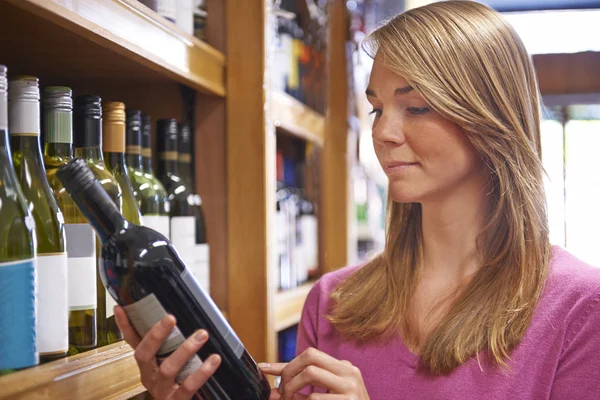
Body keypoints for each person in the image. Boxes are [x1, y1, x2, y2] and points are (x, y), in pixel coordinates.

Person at [114, 1, 600, 399]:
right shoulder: (332, 303)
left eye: (416, 107)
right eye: (377, 108)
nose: (384, 133)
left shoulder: (578, 308)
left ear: (489, 117)